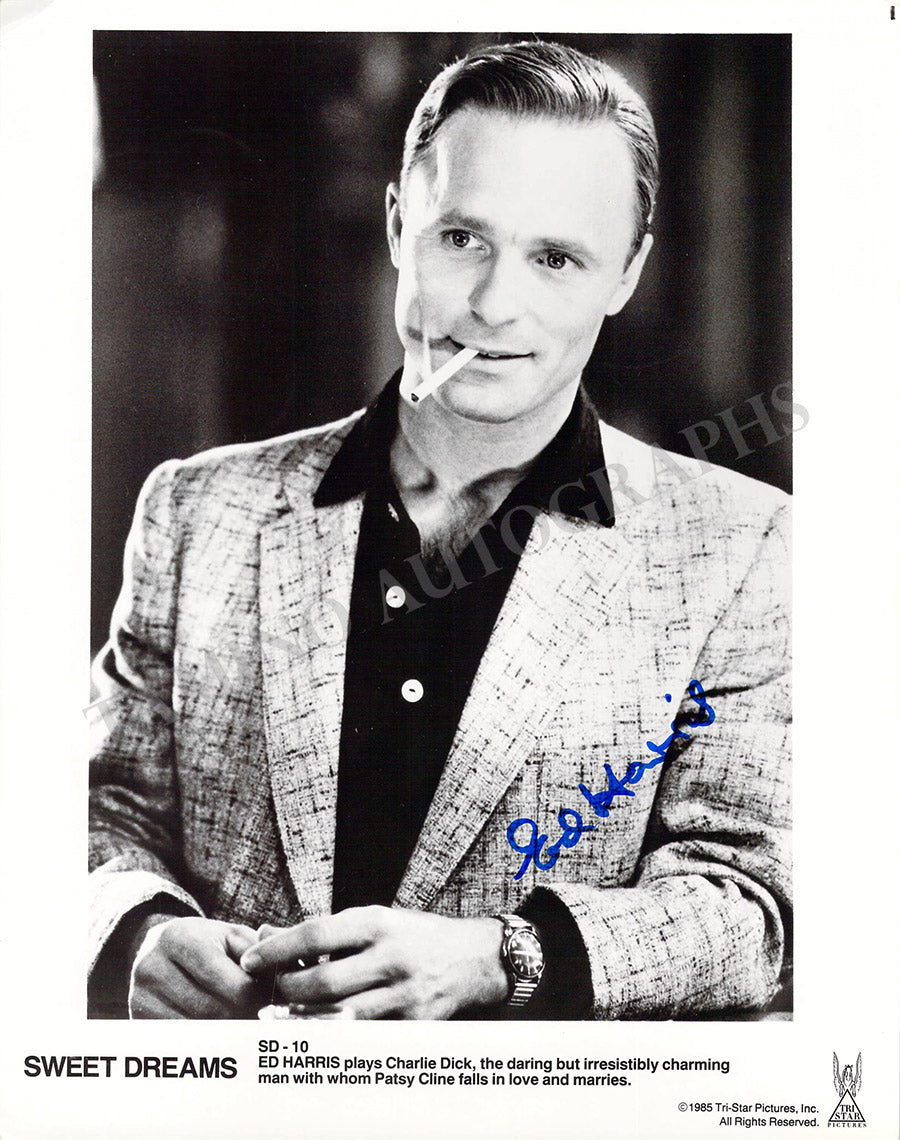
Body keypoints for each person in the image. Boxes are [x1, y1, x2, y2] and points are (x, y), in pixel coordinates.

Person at [88, 40, 791, 1020]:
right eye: (461, 238)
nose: (494, 305)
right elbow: (99, 813)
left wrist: (504, 959)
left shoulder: (746, 548)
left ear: (626, 273)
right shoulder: (195, 509)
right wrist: (138, 930)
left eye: (555, 258)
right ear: (396, 226)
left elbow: (750, 904)